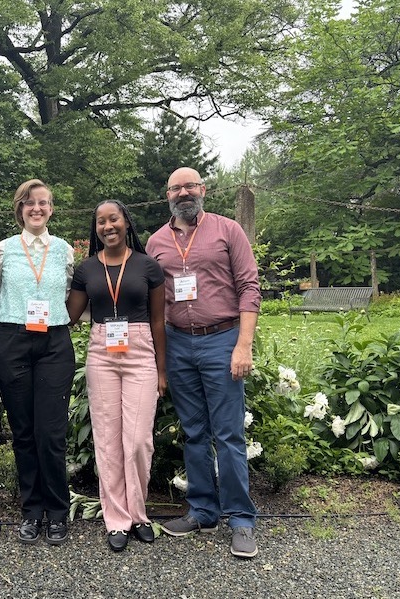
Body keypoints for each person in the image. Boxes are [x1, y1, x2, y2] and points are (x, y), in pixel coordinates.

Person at [145, 166, 261, 559]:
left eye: (189, 185)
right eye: (175, 187)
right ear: (168, 196)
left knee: (228, 434)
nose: (183, 193)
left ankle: (241, 519)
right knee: (193, 432)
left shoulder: (228, 230)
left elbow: (249, 287)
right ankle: (202, 511)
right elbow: (153, 302)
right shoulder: (157, 242)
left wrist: (243, 345)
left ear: (203, 189)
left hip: (222, 340)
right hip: (178, 344)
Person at [66, 200, 167, 552]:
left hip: (140, 353)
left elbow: (158, 322)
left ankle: (139, 514)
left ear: (126, 223)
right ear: (95, 228)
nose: (107, 226)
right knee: (108, 441)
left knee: (138, 440)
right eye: (100, 222)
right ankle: (117, 519)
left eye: (114, 219)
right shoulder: (86, 269)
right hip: (101, 353)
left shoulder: (147, 266)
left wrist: (162, 370)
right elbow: (71, 315)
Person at [0, 179, 74, 545]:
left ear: (51, 209)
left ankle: (57, 511)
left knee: (50, 432)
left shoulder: (64, 250)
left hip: (54, 342)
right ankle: (32, 511)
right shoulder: (2, 250)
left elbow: (68, 292)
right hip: (12, 340)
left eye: (44, 203)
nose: (37, 209)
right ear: (19, 209)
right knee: (22, 431)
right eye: (30, 203)